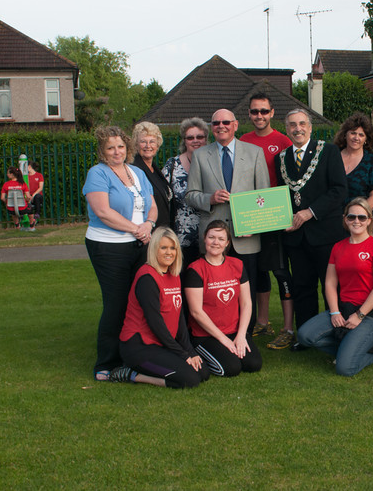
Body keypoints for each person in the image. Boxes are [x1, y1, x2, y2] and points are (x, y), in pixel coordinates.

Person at [83, 125, 158, 381]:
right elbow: (103, 212)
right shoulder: (98, 174)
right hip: (108, 246)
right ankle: (106, 362)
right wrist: (137, 229)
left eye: (121, 147)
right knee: (116, 305)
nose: (117, 152)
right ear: (103, 152)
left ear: (127, 147)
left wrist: (148, 225)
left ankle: (134, 355)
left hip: (139, 243)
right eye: (111, 148)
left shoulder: (137, 172)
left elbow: (153, 206)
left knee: (139, 301)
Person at [185, 108, 270, 332]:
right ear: (211, 128)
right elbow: (190, 195)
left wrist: (256, 225)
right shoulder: (201, 155)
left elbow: (264, 195)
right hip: (214, 237)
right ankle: (215, 332)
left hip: (247, 237)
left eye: (225, 122)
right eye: (215, 123)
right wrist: (209, 198)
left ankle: (246, 335)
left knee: (246, 291)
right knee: (213, 288)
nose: (220, 126)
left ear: (235, 125)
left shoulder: (254, 152)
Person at [276, 108, 347, 350]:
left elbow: (339, 190)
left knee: (332, 288)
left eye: (302, 124)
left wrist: (310, 212)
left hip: (325, 233)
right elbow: (281, 196)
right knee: (303, 288)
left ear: (310, 127)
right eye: (292, 125)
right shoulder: (281, 158)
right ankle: (307, 338)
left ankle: (337, 335)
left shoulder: (328, 151)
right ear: (287, 129)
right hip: (296, 236)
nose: (298, 128)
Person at [297, 197, 373, 376]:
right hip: (343, 308)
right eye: (352, 217)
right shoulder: (338, 247)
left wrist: (359, 315)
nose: (356, 221)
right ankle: (348, 349)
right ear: (345, 219)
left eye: (362, 217)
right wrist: (334, 312)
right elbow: (330, 283)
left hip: (368, 314)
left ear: (369, 220)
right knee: (305, 336)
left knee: (345, 368)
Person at [112, 227, 209, 387]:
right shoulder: (147, 278)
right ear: (154, 249)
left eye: (172, 248)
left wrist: (190, 351)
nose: (168, 252)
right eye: (163, 247)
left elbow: (179, 317)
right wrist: (183, 355)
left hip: (161, 344)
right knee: (190, 379)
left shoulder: (174, 274)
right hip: (139, 347)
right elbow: (155, 323)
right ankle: (132, 374)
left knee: (203, 373)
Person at [240, 93, 295, 349]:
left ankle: (287, 328)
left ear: (272, 112)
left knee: (281, 271)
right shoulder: (243, 141)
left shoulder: (283, 141)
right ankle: (262, 322)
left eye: (264, 111)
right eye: (254, 112)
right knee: (258, 271)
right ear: (249, 114)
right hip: (251, 216)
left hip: (275, 215)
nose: (259, 116)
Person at [184, 220, 262, 377]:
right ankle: (200, 352)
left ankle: (231, 345)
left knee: (253, 364)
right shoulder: (195, 269)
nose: (215, 242)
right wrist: (223, 339)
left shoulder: (237, 264)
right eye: (212, 237)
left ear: (227, 243)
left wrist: (241, 335)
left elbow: (246, 303)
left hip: (233, 330)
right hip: (206, 335)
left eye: (221, 239)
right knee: (231, 368)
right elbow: (196, 311)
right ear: (205, 239)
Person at [162, 117, 209, 266]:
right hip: (181, 236)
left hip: (209, 234)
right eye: (190, 137)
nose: (195, 141)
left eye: (199, 137)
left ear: (206, 139)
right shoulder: (172, 165)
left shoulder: (214, 163)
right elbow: (163, 198)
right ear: (184, 140)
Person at [334, 112, 373, 219]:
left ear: (366, 140)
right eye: (353, 133)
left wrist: (355, 216)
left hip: (360, 221)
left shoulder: (372, 162)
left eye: (361, 135)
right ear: (345, 135)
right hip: (334, 220)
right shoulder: (332, 157)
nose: (356, 138)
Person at [132, 121, 172, 228]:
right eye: (143, 141)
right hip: (146, 228)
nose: (148, 146)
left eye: (152, 141)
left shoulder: (154, 168)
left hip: (162, 227)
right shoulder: (134, 168)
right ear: (136, 144)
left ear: (158, 144)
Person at [27, 161, 44, 227]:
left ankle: (37, 215)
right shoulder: (26, 176)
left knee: (37, 197)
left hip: (36, 196)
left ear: (29, 167)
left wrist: (33, 195)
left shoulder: (39, 175)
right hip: (28, 195)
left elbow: (40, 187)